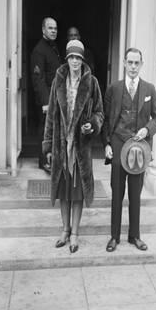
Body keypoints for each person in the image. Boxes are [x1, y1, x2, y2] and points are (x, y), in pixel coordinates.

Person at [42, 39, 104, 253]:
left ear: (82, 60)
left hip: (80, 148)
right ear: (67, 59)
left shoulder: (92, 82)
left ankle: (75, 233)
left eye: (78, 57)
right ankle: (65, 230)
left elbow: (99, 113)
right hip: (61, 146)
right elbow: (51, 116)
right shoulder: (58, 82)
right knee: (63, 192)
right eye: (72, 57)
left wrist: (92, 125)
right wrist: (48, 146)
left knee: (77, 193)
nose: (75, 61)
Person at [102, 47, 156, 252]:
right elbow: (106, 120)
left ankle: (135, 236)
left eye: (137, 63)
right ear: (124, 63)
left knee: (135, 194)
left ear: (142, 64)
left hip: (139, 149)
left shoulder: (149, 89)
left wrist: (147, 130)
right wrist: (107, 144)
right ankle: (114, 237)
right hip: (119, 146)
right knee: (117, 193)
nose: (133, 67)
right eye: (130, 62)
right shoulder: (114, 88)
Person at [30, 17, 62, 172]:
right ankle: (44, 161)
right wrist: (45, 102)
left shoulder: (53, 47)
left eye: (55, 28)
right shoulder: (39, 50)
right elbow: (38, 78)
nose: (53, 31)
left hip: (56, 96)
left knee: (54, 129)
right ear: (43, 30)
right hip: (46, 99)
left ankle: (52, 158)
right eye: (50, 28)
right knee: (45, 130)